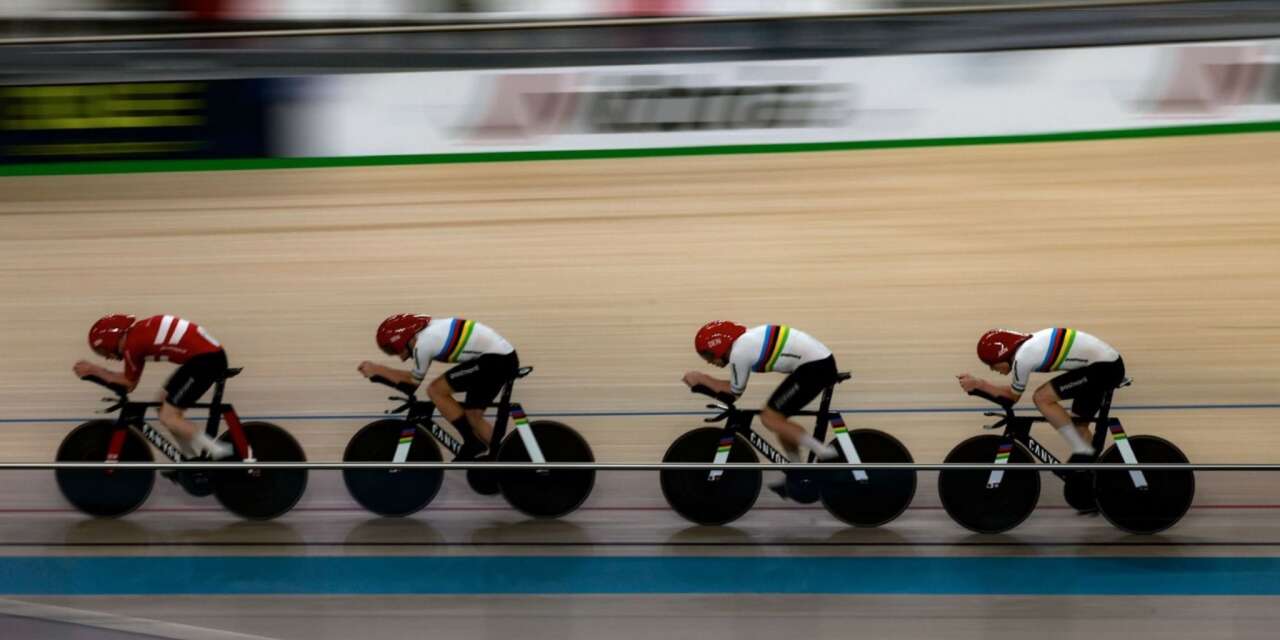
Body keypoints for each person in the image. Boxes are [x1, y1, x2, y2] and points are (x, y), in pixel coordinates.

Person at [682, 321, 841, 496]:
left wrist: (701, 379)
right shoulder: (744, 342)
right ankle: (798, 473)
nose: (710, 362)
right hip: (816, 364)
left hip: (815, 367)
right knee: (780, 423)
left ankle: (826, 453)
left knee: (769, 418)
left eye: (709, 355)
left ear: (718, 346)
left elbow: (732, 394)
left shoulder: (739, 351)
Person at [357, 314, 519, 461]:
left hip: (495, 360)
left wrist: (378, 370)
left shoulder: (424, 344)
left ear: (403, 339)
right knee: (473, 415)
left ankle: (472, 442)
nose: (400, 356)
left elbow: (412, 383)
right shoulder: (425, 332)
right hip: (500, 358)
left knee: (436, 390)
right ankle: (507, 459)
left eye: (394, 350)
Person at [73, 314, 233, 459]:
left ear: (110, 341)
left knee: (169, 416)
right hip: (205, 357)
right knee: (161, 403)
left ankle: (220, 452)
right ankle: (188, 460)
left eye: (103, 352)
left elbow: (129, 384)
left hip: (206, 361)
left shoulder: (132, 345)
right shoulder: (137, 333)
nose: (108, 357)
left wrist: (94, 370)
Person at [957, 328, 1126, 463]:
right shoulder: (1025, 347)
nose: (992, 369)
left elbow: (1011, 398)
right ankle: (1087, 476)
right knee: (1079, 428)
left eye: (992, 364)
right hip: (1102, 366)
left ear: (1003, 356)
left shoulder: (1022, 358)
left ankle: (1081, 451)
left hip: (1103, 369)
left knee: (1042, 397)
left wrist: (980, 384)